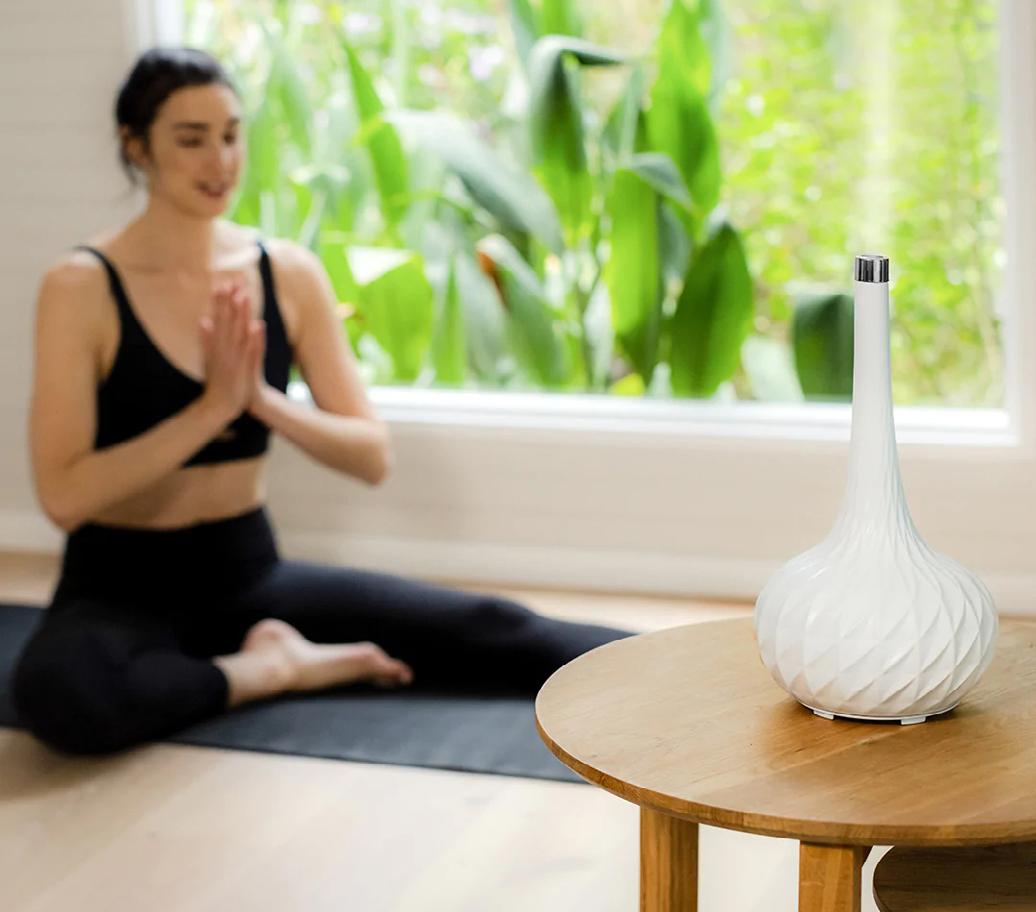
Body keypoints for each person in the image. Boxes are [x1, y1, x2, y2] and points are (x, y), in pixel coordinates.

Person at [11, 47, 633, 756]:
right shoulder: (81, 286)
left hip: (248, 574)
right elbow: (64, 497)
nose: (220, 160)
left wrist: (260, 401)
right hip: (118, 585)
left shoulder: (285, 272)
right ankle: (267, 671)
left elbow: (370, 457)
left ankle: (701, 668)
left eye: (231, 134)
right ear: (136, 146)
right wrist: (209, 411)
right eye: (191, 139)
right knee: (61, 693)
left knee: (498, 630)